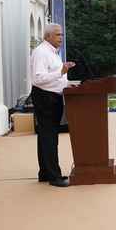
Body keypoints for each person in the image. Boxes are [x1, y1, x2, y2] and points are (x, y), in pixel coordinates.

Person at [29, 24, 74, 188]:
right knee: (49, 137)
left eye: (61, 34)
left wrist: (66, 83)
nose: (61, 37)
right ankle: (54, 176)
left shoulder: (53, 53)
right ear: (47, 36)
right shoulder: (41, 52)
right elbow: (38, 79)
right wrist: (61, 72)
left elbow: (53, 77)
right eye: (57, 35)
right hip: (45, 98)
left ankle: (45, 173)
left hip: (52, 96)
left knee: (46, 136)